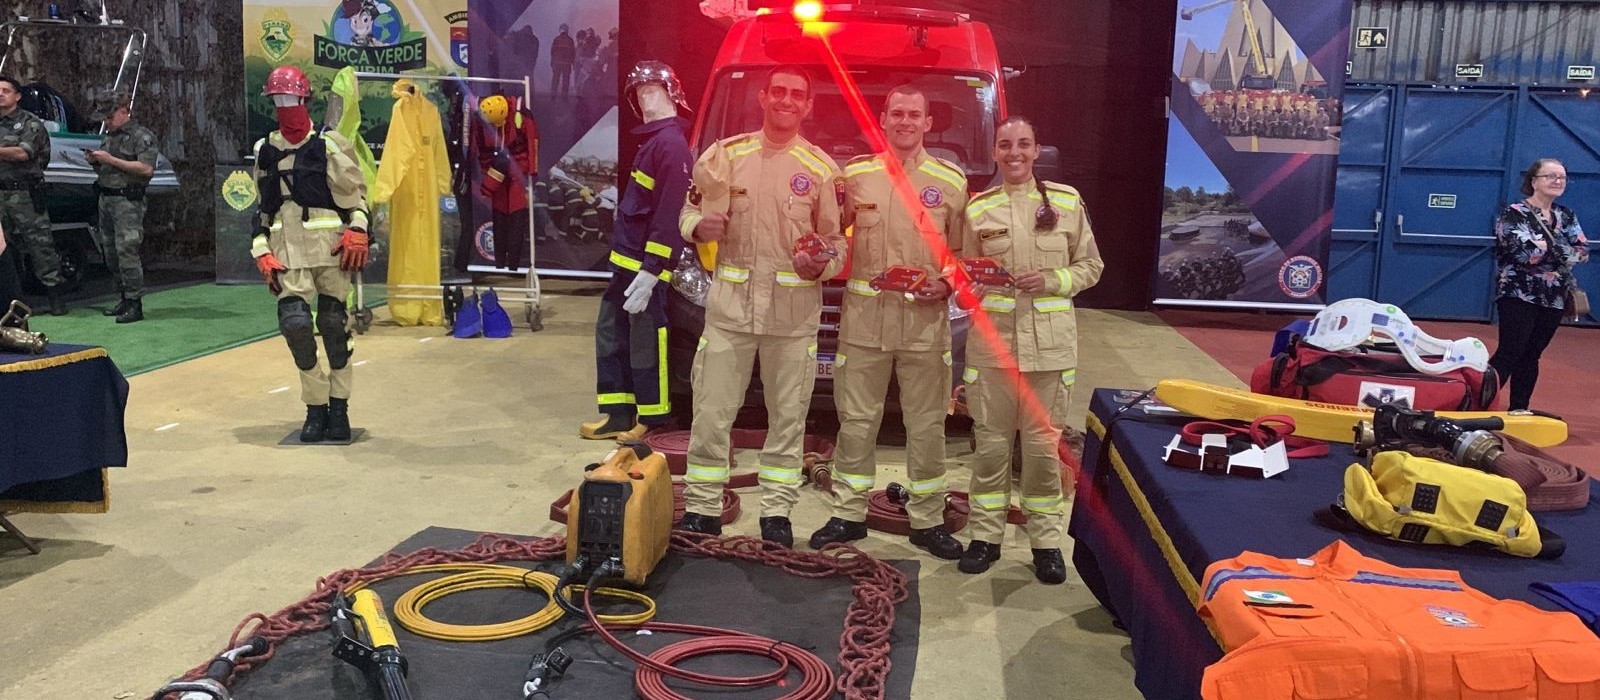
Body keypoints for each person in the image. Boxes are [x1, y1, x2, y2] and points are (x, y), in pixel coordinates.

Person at [676, 65, 844, 546]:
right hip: (729, 314)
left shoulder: (820, 169)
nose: (787, 101)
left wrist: (821, 264)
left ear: (808, 106)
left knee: (788, 419)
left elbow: (836, 243)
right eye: (779, 92)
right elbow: (690, 209)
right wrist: (697, 227)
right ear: (763, 98)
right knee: (711, 414)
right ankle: (704, 510)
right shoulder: (724, 157)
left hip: (791, 321)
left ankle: (776, 515)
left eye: (798, 94)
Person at [806, 85, 967, 560]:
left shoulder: (950, 182)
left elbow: (964, 255)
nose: (905, 122)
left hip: (924, 325)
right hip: (865, 324)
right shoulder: (855, 177)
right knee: (856, 422)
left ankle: (927, 520)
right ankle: (848, 514)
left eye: (914, 114)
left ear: (928, 122)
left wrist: (948, 284)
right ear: (883, 119)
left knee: (927, 426)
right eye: (896, 113)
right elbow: (832, 236)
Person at [957, 116, 1103, 584]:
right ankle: (985, 538)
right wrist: (969, 284)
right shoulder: (978, 210)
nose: (1014, 153)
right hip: (992, 348)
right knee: (991, 449)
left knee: (1042, 452)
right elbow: (963, 276)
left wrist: (1055, 280)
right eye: (1005, 145)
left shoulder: (1065, 202)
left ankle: (1046, 544)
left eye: (1023, 144)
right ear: (995, 152)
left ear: (1037, 149)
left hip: (1050, 350)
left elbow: (1091, 265)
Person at [251, 65, 371, 443]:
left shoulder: (330, 145)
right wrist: (260, 251)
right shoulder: (265, 150)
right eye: (278, 101)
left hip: (332, 252)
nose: (285, 107)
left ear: (305, 101)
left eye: (291, 100)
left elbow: (358, 201)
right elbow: (262, 210)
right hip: (287, 253)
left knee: (334, 326)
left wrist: (358, 231)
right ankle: (315, 406)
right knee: (296, 326)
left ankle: (339, 408)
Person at [580, 61, 693, 441]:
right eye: (639, 94)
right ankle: (618, 412)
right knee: (612, 335)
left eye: (652, 91)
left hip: (645, 268)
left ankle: (653, 417)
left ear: (671, 93)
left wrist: (652, 270)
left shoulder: (672, 146)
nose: (645, 100)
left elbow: (668, 214)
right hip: (625, 262)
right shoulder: (656, 142)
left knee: (648, 341)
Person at [1489, 158, 1589, 413]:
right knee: (1510, 351)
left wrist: (1544, 248)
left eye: (1562, 177)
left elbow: (1582, 251)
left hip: (1554, 296)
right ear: (1533, 181)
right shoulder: (1512, 213)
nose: (1558, 181)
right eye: (1551, 176)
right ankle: (1475, 404)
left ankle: (1520, 409)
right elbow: (1522, 254)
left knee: (1532, 354)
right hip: (1517, 293)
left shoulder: (1565, 215)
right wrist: (1556, 252)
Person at [85, 88, 158, 324]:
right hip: (106, 200)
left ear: (124, 111)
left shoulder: (141, 137)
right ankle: (123, 297)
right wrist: (97, 162)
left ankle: (135, 303)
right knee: (111, 253)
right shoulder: (110, 137)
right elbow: (110, 169)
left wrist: (111, 160)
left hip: (128, 202)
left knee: (127, 252)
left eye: (110, 116)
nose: (106, 121)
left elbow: (146, 169)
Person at [0, 75, 62, 316]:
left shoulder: (30, 123)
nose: (0, 94)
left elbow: (23, 153)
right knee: (5, 250)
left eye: (6, 90)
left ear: (18, 96)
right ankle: (11, 301)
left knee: (40, 245)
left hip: (24, 193)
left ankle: (55, 296)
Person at [550, 24, 576, 98]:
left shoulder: (556, 39)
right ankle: (564, 96)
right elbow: (573, 53)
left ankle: (553, 95)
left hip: (557, 63)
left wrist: (552, 61)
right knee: (566, 81)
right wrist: (573, 63)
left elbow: (552, 51)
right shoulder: (570, 41)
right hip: (567, 64)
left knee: (555, 79)